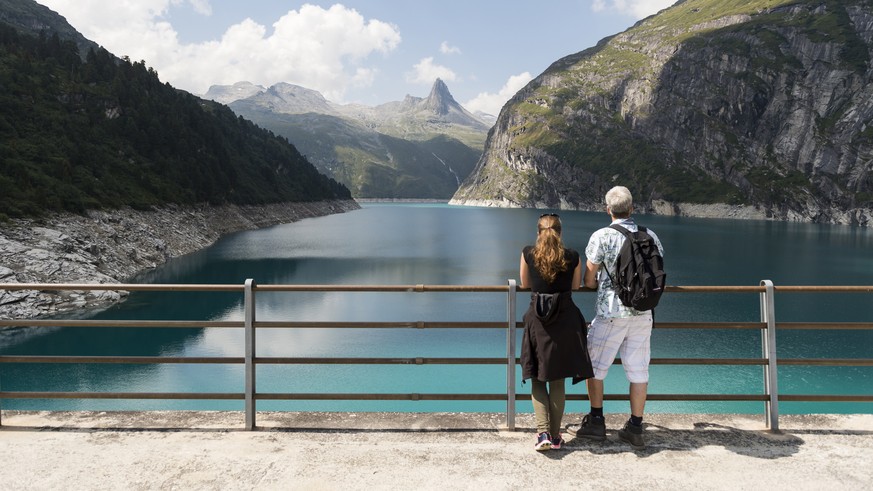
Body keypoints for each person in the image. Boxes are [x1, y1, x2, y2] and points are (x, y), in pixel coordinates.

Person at [566, 186, 664, 451]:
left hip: (610, 313)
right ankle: (635, 427)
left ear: (608, 210)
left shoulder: (602, 236)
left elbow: (589, 278)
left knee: (595, 367)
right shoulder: (649, 234)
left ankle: (596, 420)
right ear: (632, 208)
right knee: (639, 371)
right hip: (643, 313)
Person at [520, 213, 594, 451]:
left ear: (538, 232)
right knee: (557, 379)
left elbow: (524, 284)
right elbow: (574, 286)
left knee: (537, 376)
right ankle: (555, 436)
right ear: (560, 233)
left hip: (537, 321)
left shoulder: (528, 253)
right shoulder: (572, 256)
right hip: (565, 320)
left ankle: (542, 434)